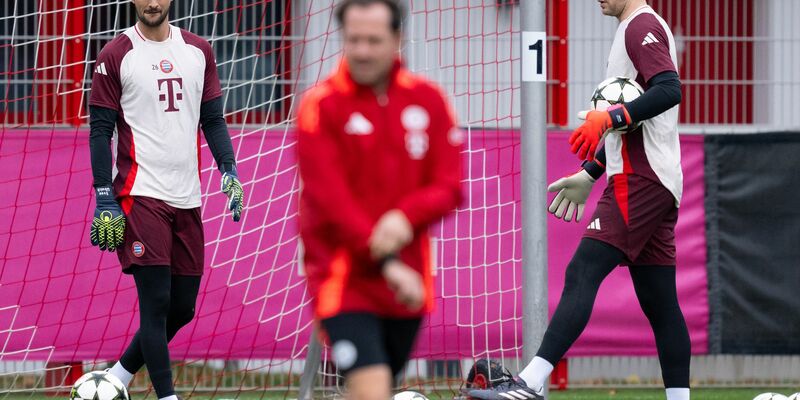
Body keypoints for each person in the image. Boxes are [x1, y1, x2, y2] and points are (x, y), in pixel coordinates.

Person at [468, 0, 689, 399]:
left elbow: (670, 88)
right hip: (655, 179)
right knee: (661, 305)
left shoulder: (641, 27)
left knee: (583, 270)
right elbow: (641, 120)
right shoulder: (632, 28)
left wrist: (611, 117)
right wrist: (590, 172)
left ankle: (529, 384)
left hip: (641, 179)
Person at [296, 0, 463, 399]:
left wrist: (404, 218)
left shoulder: (430, 100)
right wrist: (386, 261)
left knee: (376, 391)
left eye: (373, 40)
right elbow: (330, 202)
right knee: (372, 391)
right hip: (343, 279)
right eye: (353, 40)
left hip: (408, 286)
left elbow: (450, 186)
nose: (363, 50)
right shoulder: (320, 106)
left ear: (397, 39)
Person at [87, 1, 244, 399]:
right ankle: (167, 396)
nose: (152, 3)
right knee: (156, 302)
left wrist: (229, 168)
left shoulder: (197, 51)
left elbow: (212, 118)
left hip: (187, 197)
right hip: (141, 195)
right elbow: (100, 131)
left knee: (183, 308)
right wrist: (105, 197)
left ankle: (117, 378)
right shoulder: (115, 55)